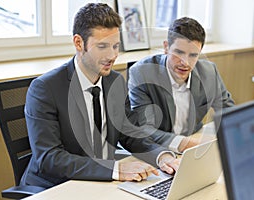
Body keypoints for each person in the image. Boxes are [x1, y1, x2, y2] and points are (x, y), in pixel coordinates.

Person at [20, 3, 179, 189]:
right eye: (102, 46)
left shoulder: (115, 82)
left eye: (116, 46)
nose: (112, 55)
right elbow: (49, 158)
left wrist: (162, 156)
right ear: (79, 43)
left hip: (102, 183)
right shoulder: (45, 89)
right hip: (55, 186)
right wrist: (116, 169)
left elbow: (131, 134)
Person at [128, 17, 234, 153]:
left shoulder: (209, 72)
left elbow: (228, 112)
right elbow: (143, 129)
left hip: (194, 142)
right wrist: (185, 143)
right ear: (166, 47)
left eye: (193, 55)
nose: (185, 62)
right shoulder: (141, 73)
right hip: (157, 150)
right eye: (179, 52)